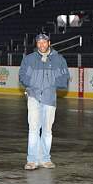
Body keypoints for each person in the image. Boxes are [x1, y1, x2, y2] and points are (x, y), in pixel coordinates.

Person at [19, 33, 69, 170]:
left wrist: (51, 84)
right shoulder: (29, 59)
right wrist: (33, 84)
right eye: (39, 42)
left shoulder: (59, 59)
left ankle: (45, 159)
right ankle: (32, 160)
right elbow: (22, 76)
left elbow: (65, 78)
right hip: (34, 97)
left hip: (49, 98)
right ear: (36, 44)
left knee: (47, 131)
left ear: (49, 43)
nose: (42, 45)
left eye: (44, 42)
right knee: (34, 130)